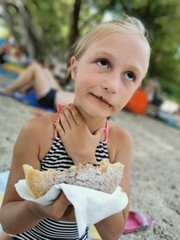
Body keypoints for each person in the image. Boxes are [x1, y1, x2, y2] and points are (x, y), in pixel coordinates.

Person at [0, 15, 151, 240]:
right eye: (103, 62)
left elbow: (113, 233)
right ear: (74, 67)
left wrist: (86, 160)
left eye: (129, 75)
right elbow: (8, 220)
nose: (111, 85)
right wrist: (36, 209)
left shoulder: (119, 143)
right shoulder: (38, 132)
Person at [0, 60, 75, 110]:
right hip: (58, 92)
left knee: (35, 67)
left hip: (50, 98)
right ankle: (23, 89)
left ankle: (8, 90)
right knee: (45, 70)